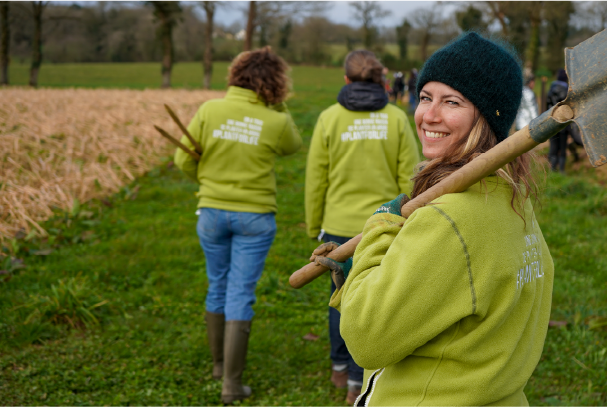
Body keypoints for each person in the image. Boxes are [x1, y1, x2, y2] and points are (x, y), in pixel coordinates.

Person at [316, 32, 554, 406]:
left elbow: (365, 340)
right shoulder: (512, 200)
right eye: (425, 97)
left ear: (488, 114)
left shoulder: (448, 219)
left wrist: (380, 226)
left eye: (452, 101)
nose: (429, 115)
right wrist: (377, 273)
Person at [174, 46, 302, 404]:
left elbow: (181, 159)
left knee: (217, 284)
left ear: (235, 75)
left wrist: (206, 179)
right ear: (276, 83)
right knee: (240, 292)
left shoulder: (210, 110)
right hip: (255, 217)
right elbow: (292, 145)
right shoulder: (275, 120)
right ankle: (231, 383)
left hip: (212, 212)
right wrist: (278, 105)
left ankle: (219, 365)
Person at [304, 49, 420, 404]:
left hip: (338, 228)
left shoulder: (329, 118)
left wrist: (314, 224)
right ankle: (359, 377)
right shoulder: (397, 118)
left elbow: (316, 177)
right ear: (382, 81)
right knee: (375, 301)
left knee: (339, 299)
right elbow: (410, 176)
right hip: (383, 227)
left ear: (346, 80)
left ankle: (340, 368)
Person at [546, 69, 570, 172]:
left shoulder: (550, 90)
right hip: (563, 125)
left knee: (553, 147)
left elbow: (547, 107)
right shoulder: (567, 92)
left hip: (552, 123)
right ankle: (561, 170)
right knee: (563, 147)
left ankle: (552, 169)